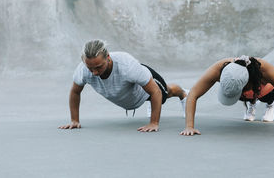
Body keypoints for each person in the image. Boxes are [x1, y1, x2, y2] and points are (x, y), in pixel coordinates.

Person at [59, 39, 187, 132]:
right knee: (154, 98)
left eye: (98, 67)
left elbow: (155, 92)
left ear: (108, 57)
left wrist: (153, 123)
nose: (95, 72)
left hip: (146, 86)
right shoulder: (83, 70)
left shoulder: (127, 66)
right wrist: (74, 120)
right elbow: (75, 92)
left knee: (166, 93)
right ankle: (153, 103)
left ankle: (183, 94)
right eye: (90, 68)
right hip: (131, 94)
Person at [180, 55, 274, 140]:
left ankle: (270, 104)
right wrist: (189, 126)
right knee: (237, 92)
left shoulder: (266, 71)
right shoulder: (219, 69)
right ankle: (251, 103)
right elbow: (193, 94)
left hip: (264, 89)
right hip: (245, 90)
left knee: (266, 95)